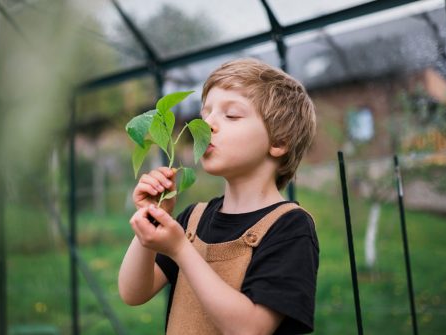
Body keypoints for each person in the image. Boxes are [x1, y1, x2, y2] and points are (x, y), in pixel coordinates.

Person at [118, 58, 319, 335]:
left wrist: (180, 250)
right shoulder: (193, 220)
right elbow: (133, 292)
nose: (207, 125)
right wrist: (151, 220)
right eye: (205, 115)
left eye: (232, 115)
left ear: (279, 142)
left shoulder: (290, 227)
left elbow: (251, 329)